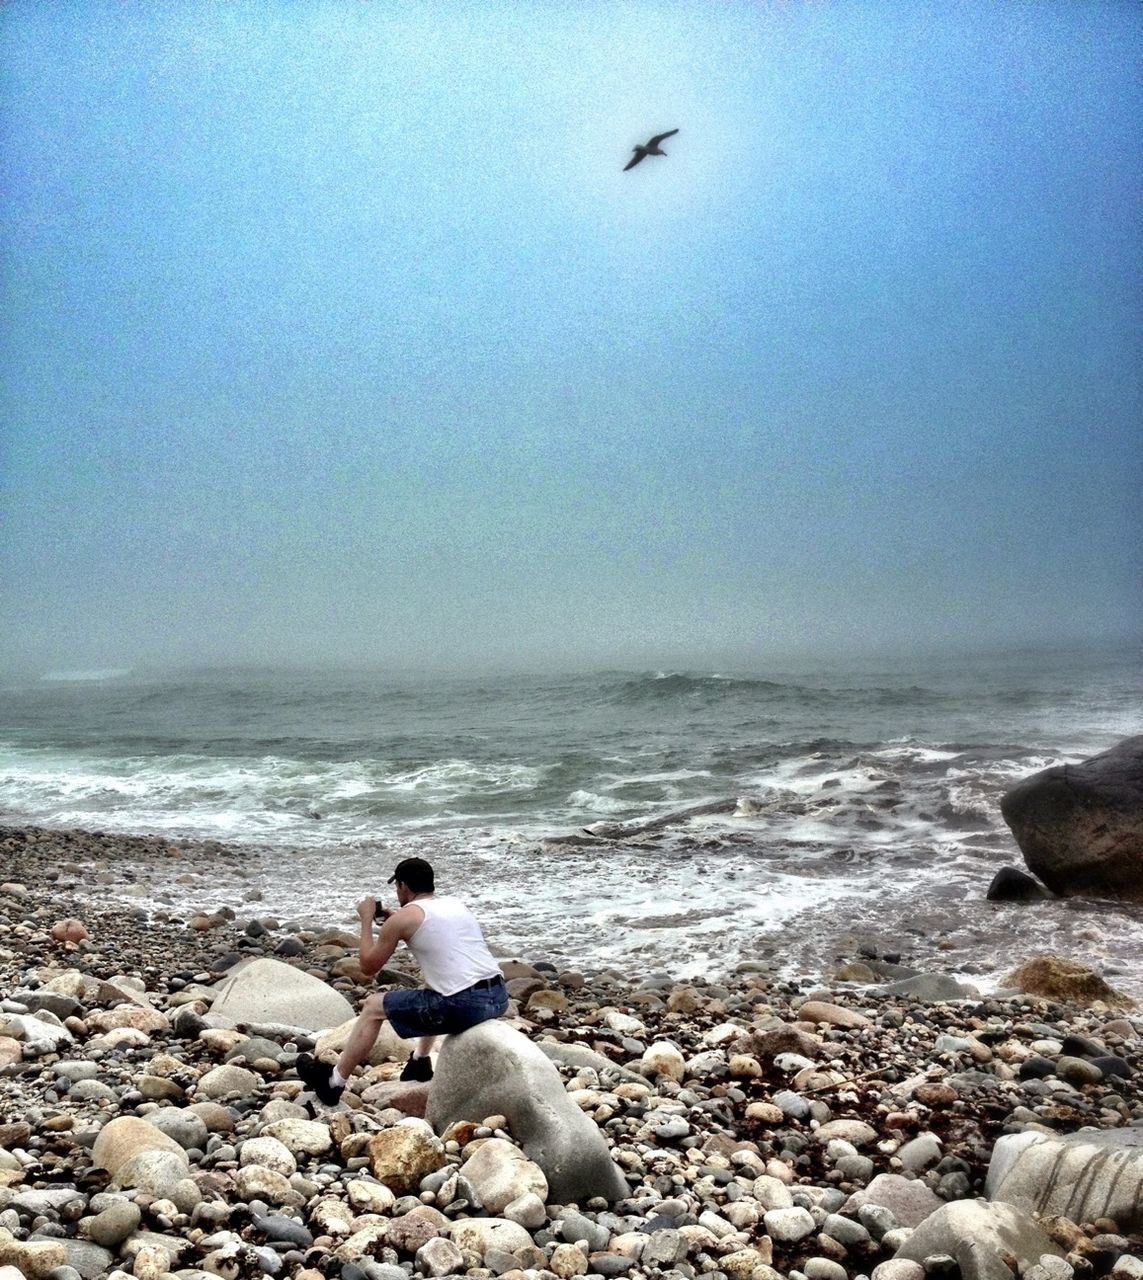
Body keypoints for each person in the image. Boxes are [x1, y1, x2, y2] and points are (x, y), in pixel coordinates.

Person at [297, 855, 507, 1105]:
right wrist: (394, 919)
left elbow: (367, 967)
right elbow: (427, 927)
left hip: (465, 1005)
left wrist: (366, 920)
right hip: (498, 996)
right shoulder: (455, 905)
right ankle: (420, 1061)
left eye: (397, 887)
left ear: (403, 886)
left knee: (373, 1007)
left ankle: (334, 1083)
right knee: (432, 983)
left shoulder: (403, 920)